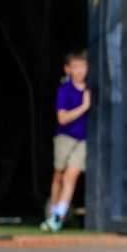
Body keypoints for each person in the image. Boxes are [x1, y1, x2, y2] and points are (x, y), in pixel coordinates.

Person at [41, 49, 90, 232]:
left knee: (71, 176)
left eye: (83, 66)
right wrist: (84, 107)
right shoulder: (64, 91)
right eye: (76, 67)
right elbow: (62, 119)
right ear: (67, 69)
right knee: (59, 177)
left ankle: (57, 219)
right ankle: (51, 213)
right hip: (64, 139)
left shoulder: (90, 89)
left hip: (82, 141)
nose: (80, 71)